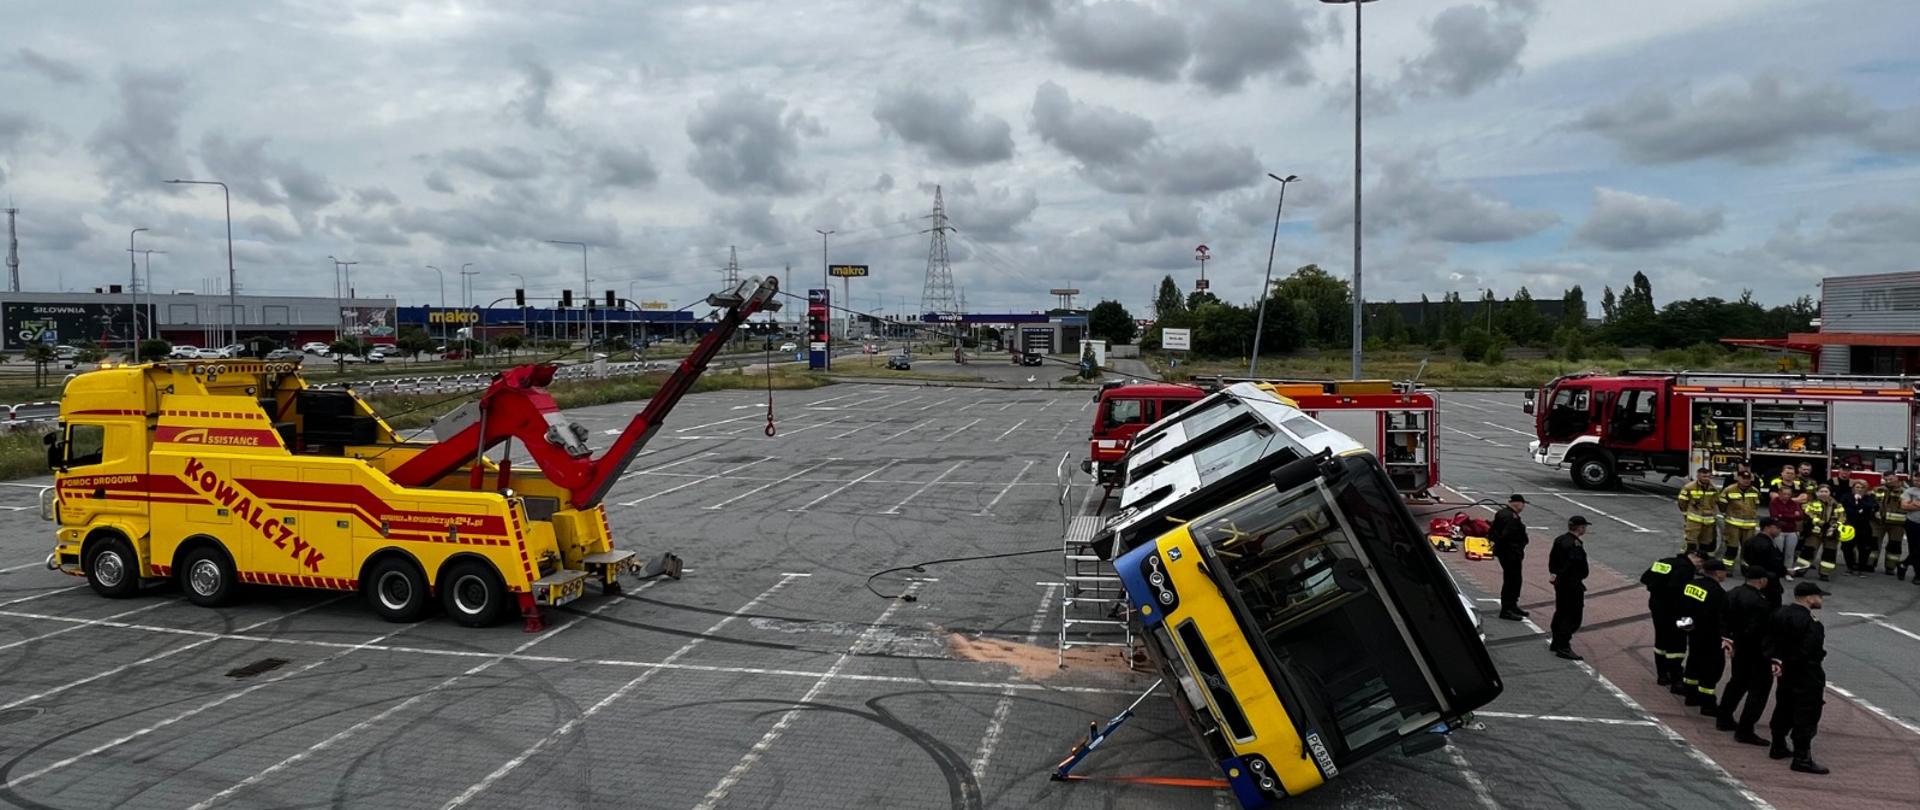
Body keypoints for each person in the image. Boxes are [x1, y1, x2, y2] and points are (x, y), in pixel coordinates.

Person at [1767, 581, 1831, 774]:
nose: (1820, 600)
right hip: (1806, 674)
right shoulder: (1811, 622)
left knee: (1783, 707)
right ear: (1809, 597)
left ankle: (1777, 746)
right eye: (1819, 596)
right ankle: (1802, 758)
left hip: (1785, 672)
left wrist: (1777, 661)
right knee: (1807, 714)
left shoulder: (1779, 613)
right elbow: (1811, 650)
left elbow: (1770, 640)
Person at [1715, 566, 1775, 745]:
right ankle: (1745, 730)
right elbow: (1757, 630)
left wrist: (1730, 639)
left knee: (1737, 682)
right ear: (1761, 580)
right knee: (1759, 690)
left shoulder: (1733, 593)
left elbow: (1723, 617)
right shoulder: (1760, 602)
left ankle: (1724, 718)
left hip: (1738, 647)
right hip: (1755, 651)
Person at [1640, 547, 1702, 689]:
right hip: (1675, 612)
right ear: (1692, 555)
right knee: (1678, 644)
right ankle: (1676, 678)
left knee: (1661, 640)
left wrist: (1657, 592)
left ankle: (1662, 675)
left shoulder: (1665, 562)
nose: (1700, 564)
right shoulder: (1686, 568)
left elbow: (1645, 578)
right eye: (1700, 560)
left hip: (1657, 607)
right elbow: (1678, 591)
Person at [1679, 559, 1730, 713]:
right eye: (1724, 571)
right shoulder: (1718, 592)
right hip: (1710, 635)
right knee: (1712, 668)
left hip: (1693, 631)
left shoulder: (1691, 585)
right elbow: (1719, 617)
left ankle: (1690, 695)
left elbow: (1681, 606)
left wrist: (1685, 627)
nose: (1725, 574)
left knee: (1693, 661)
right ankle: (1707, 703)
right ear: (1718, 573)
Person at [1547, 515, 1592, 660]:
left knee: (1560, 611)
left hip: (1560, 582)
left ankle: (1556, 641)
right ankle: (1563, 646)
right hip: (1571, 583)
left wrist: (1554, 574)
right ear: (1580, 528)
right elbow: (1574, 565)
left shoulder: (1560, 539)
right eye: (1584, 526)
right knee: (1572, 615)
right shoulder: (1575, 544)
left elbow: (1553, 559)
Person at [1490, 494, 1531, 620]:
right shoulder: (1511, 517)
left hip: (1507, 552)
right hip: (1510, 553)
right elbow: (1507, 536)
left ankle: (1512, 605)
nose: (1523, 507)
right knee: (1512, 581)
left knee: (1514, 580)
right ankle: (1507, 609)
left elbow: (1493, 531)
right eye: (1523, 504)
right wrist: (1515, 549)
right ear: (1517, 503)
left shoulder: (1502, 513)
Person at [1717, 471, 1763, 567]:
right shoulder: (1729, 490)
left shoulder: (1755, 491)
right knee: (1731, 547)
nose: (1746, 481)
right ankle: (1727, 567)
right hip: (1732, 525)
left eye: (1748, 479)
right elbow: (1722, 505)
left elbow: (1756, 505)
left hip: (1749, 526)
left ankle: (1745, 568)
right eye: (1743, 478)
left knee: (1747, 549)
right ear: (1738, 478)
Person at [1799, 485, 1844, 582]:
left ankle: (1825, 573)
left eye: (1826, 491)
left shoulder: (1837, 505)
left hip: (1831, 532)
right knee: (1808, 550)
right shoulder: (1811, 504)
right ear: (1817, 493)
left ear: (1830, 493)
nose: (1824, 493)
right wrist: (1820, 523)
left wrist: (1834, 526)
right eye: (1821, 491)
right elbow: (1808, 514)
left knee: (1829, 552)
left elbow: (1842, 517)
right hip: (1815, 531)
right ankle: (1800, 570)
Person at [1744, 517, 1789, 610]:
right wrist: (1785, 571)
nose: (1780, 530)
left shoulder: (1750, 541)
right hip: (1769, 583)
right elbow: (1775, 564)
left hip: (1752, 580)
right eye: (1777, 527)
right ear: (1767, 527)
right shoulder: (1767, 544)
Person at [1677, 467, 1720, 558]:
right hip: (1694, 520)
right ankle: (1687, 560)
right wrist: (1685, 514)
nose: (1706, 478)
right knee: (1691, 542)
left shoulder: (1713, 488)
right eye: (1704, 476)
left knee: (1705, 544)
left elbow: (1716, 502)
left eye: (1708, 476)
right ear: (1698, 476)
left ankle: (1701, 563)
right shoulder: (1689, 487)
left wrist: (1713, 515)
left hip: (1708, 522)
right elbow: (1682, 502)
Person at [1871, 472, 1908, 578]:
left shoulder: (1905, 492)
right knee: (1874, 544)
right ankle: (1870, 565)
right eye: (1886, 479)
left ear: (1896, 478)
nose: (1888, 481)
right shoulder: (1878, 489)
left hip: (1898, 524)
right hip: (1878, 522)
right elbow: (1871, 502)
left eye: (1890, 479)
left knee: (1894, 546)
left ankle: (1890, 567)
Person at [1840, 478, 1877, 577]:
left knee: (1864, 548)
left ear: (1866, 489)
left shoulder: (1869, 498)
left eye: (1862, 488)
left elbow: (1869, 507)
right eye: (1857, 487)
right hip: (1849, 526)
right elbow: (1847, 509)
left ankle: (1861, 568)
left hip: (1864, 526)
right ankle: (1850, 567)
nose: (1859, 489)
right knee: (1847, 547)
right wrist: (1859, 508)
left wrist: (1859, 501)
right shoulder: (1846, 497)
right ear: (1853, 488)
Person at [1770, 487, 1804, 578]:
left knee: (1790, 553)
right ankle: (1776, 571)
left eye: (1788, 494)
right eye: (1784, 494)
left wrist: (1784, 515)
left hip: (1792, 531)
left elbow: (1800, 516)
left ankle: (1787, 572)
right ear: (1779, 494)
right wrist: (1792, 515)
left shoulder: (1793, 503)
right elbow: (1775, 516)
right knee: (1778, 552)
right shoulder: (1774, 502)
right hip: (1779, 531)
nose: (1786, 496)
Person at [1902, 476, 1920, 584]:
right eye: (1916, 480)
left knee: (1919, 550)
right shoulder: (1909, 491)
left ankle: (1904, 564)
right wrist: (1911, 505)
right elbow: (1904, 506)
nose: (1917, 482)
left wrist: (1914, 503)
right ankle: (1917, 573)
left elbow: (1910, 505)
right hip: (1912, 523)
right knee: (1913, 549)